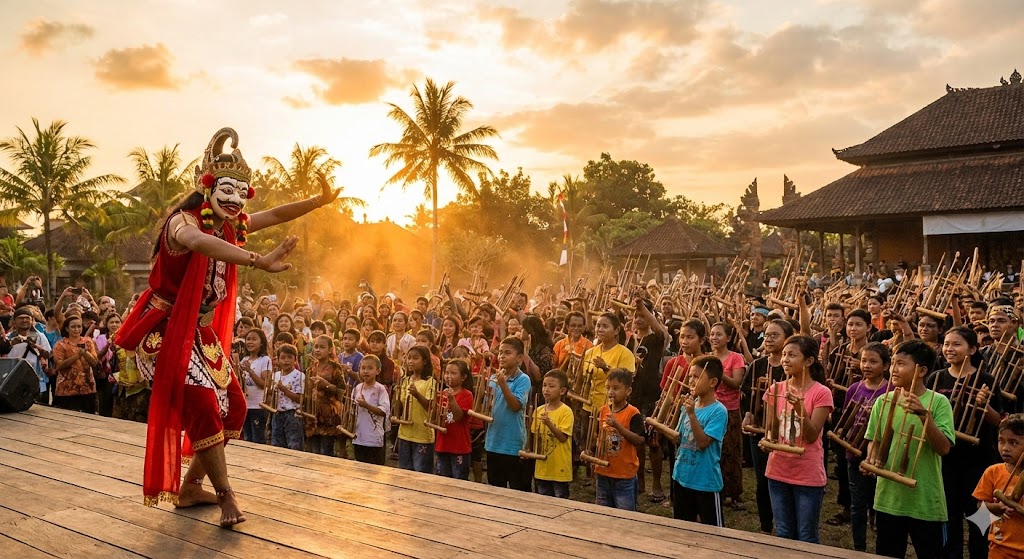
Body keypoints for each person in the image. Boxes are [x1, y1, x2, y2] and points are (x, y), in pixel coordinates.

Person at [116, 127, 337, 525]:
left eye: (241, 193)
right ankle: (226, 496)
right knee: (204, 406)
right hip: (164, 330)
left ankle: (190, 488)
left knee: (234, 407)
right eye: (227, 190)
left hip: (199, 332)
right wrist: (257, 260)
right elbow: (197, 242)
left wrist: (317, 201)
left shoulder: (229, 225)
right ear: (207, 187)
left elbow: (275, 215)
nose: (235, 199)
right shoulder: (183, 222)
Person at [864, 340, 954, 559]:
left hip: (925, 500)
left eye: (902, 364)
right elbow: (874, 440)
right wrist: (871, 459)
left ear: (921, 371)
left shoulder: (938, 402)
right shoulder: (883, 401)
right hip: (888, 499)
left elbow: (943, 448)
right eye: (893, 363)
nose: (894, 369)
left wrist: (923, 415)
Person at [926, 327, 1002, 559]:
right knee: (949, 513)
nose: (949, 349)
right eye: (947, 344)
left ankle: (980, 553)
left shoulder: (987, 380)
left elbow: (999, 421)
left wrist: (984, 406)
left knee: (980, 514)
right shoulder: (936, 378)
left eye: (957, 344)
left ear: (972, 349)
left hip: (979, 459)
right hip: (946, 458)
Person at [758, 335, 833, 544]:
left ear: (809, 361)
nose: (785, 360)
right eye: (784, 354)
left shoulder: (821, 393)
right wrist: (767, 442)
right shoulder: (775, 390)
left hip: (807, 474)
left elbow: (811, 435)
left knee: (806, 535)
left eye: (792, 355)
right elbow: (772, 430)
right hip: (778, 471)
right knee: (783, 533)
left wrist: (800, 408)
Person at [742, 318, 793, 534]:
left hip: (787, 432)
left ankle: (786, 525)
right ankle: (766, 526)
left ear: (788, 339)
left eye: (775, 335)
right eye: (767, 335)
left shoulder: (792, 368)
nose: (769, 339)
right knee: (762, 480)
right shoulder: (757, 365)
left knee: (784, 481)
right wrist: (748, 414)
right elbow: (746, 395)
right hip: (759, 431)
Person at [841, 342, 893, 552]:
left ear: (886, 365)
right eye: (863, 361)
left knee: (877, 502)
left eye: (873, 361)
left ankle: (879, 539)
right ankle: (859, 548)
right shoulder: (854, 388)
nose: (867, 365)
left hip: (880, 456)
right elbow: (846, 418)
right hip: (854, 454)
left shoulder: (891, 391)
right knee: (857, 504)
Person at [666, 355, 727, 526]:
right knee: (683, 528)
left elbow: (702, 443)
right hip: (681, 476)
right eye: (690, 376)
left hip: (705, 482)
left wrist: (692, 414)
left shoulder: (718, 411)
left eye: (696, 376)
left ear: (713, 382)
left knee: (712, 531)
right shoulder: (689, 405)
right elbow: (678, 438)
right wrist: (660, 426)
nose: (691, 381)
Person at [593, 368, 646, 511]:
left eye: (616, 388)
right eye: (608, 388)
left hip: (624, 475)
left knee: (624, 513)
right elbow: (599, 437)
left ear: (628, 391)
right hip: (603, 471)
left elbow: (639, 440)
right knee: (603, 512)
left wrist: (617, 426)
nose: (611, 392)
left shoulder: (633, 413)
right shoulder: (603, 410)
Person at [972, 413, 1024, 559]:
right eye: (1001, 441)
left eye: (1013, 443)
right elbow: (980, 507)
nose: (1005, 448)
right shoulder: (993, 472)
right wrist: (997, 507)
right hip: (999, 548)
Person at [485, 337, 532, 491]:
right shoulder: (494, 378)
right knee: (495, 489)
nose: (502, 356)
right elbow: (487, 406)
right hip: (493, 442)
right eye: (500, 352)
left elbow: (516, 406)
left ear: (519, 358)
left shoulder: (523, 379)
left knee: (518, 490)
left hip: (513, 444)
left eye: (507, 353)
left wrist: (503, 384)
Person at [532, 369, 573, 498]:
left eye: (551, 386)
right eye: (544, 385)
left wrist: (549, 424)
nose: (546, 389)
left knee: (559, 501)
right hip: (542, 468)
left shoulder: (566, 411)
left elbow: (563, 438)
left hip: (559, 469)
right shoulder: (538, 411)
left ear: (562, 391)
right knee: (543, 502)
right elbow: (534, 437)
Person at [304, 335, 348, 457]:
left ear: (330, 350)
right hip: (313, 415)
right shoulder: (311, 368)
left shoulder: (335, 367)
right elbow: (307, 392)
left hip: (329, 416)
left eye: (322, 347)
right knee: (314, 452)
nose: (318, 350)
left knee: (326, 452)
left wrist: (326, 385)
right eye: (316, 347)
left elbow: (342, 392)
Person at [395, 345, 436, 473]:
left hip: (422, 435)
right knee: (405, 472)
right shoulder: (405, 381)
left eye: (415, 358)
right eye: (409, 358)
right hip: (405, 434)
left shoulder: (430, 382)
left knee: (421, 473)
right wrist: (395, 395)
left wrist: (417, 394)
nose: (411, 361)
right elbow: (400, 406)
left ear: (424, 361)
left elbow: (431, 407)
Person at [434, 359, 473, 480]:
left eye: (453, 373)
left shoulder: (467, 394)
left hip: (459, 447)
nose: (448, 376)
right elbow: (435, 417)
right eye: (446, 372)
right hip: (442, 445)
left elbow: (458, 416)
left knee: (458, 481)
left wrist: (451, 399)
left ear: (463, 377)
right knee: (442, 481)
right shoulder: (441, 394)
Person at [4, 306, 52, 404]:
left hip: (34, 378)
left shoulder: (40, 336)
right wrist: (11, 343)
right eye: (21, 318)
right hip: (12, 379)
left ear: (32, 320)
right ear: (14, 321)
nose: (24, 320)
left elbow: (48, 355)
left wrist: (36, 346)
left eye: (27, 318)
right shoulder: (8, 338)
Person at [52, 315, 99, 413]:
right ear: (67, 329)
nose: (76, 329)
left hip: (87, 388)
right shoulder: (60, 344)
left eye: (79, 326)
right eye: (73, 327)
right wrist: (77, 356)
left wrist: (85, 353)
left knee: (88, 418)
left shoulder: (88, 342)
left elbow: (95, 363)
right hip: (66, 389)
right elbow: (59, 366)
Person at [352, 355, 391, 465]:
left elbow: (384, 411)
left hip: (374, 438)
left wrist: (366, 405)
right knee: (360, 467)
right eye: (363, 368)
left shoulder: (380, 389)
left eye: (370, 368)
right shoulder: (357, 388)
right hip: (359, 436)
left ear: (378, 371)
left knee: (375, 469)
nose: (365, 371)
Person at [238, 328, 271, 444]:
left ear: (261, 342)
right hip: (246, 405)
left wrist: (250, 371)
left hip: (258, 406)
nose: (250, 342)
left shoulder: (265, 360)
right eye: (248, 339)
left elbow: (264, 385)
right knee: (247, 439)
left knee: (258, 439)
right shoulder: (244, 359)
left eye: (254, 339)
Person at [270, 344, 304, 450]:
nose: (286, 361)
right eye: (283, 357)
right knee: (277, 444)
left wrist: (284, 390)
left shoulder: (299, 376)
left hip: (293, 414)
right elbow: (272, 395)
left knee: (294, 444)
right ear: (278, 360)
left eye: (289, 357)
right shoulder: (276, 375)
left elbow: (300, 399)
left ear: (295, 360)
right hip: (277, 413)